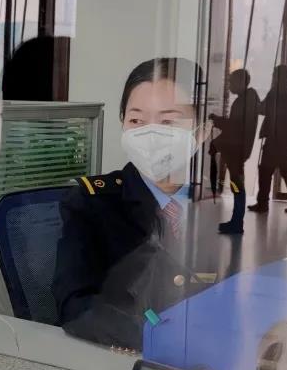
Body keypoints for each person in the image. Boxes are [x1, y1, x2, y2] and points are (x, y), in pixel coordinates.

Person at [53, 57, 208, 350]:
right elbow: (75, 303)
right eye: (136, 121)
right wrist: (158, 335)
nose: (150, 135)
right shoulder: (93, 203)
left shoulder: (226, 205)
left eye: (168, 121)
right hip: (134, 357)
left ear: (202, 131)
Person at [208, 68, 261, 234]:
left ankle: (237, 223)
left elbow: (234, 127)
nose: (229, 85)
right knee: (237, 185)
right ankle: (236, 221)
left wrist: (217, 122)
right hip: (239, 149)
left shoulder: (242, 102)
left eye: (231, 82)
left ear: (240, 82)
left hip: (236, 149)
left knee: (237, 186)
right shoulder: (249, 99)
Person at [250, 64, 287, 213]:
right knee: (285, 169)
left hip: (276, 138)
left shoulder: (276, 92)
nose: (273, 76)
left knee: (265, 170)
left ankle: (263, 203)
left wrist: (253, 103)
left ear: (279, 76)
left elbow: (264, 109)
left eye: (274, 74)